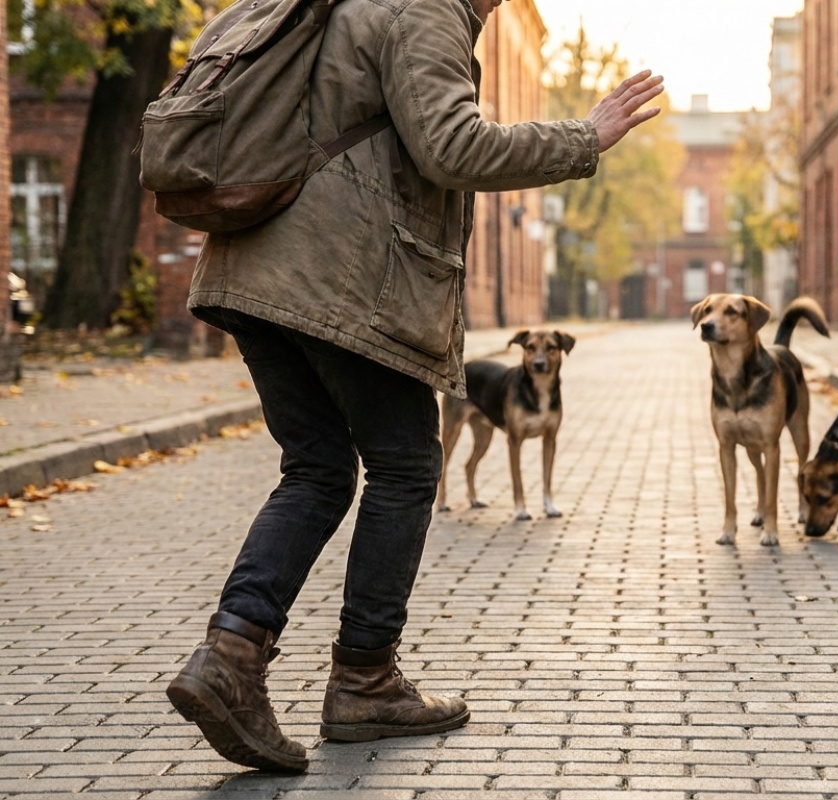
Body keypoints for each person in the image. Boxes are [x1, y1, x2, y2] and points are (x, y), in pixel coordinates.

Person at [165, 0, 663, 773]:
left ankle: (230, 659)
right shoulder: (423, 7)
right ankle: (365, 679)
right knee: (405, 466)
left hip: (251, 266)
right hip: (340, 277)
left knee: (319, 468)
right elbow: (451, 145)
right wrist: (583, 137)